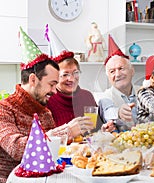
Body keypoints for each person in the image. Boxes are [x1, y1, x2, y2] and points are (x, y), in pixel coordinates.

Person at [0, 28, 92, 182]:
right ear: (33, 79)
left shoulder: (44, 112)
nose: (55, 91)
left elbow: (53, 152)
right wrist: (66, 131)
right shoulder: (4, 109)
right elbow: (17, 148)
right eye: (51, 84)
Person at [45, 25, 106, 133]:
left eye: (75, 73)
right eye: (65, 74)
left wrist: (103, 129)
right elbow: (47, 138)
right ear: (55, 77)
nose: (71, 79)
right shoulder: (48, 100)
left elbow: (96, 129)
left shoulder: (87, 96)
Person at [98, 34, 136, 132]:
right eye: (112, 71)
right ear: (108, 77)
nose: (118, 74)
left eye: (121, 68)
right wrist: (119, 112)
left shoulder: (144, 92)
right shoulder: (105, 97)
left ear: (132, 71)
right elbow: (108, 112)